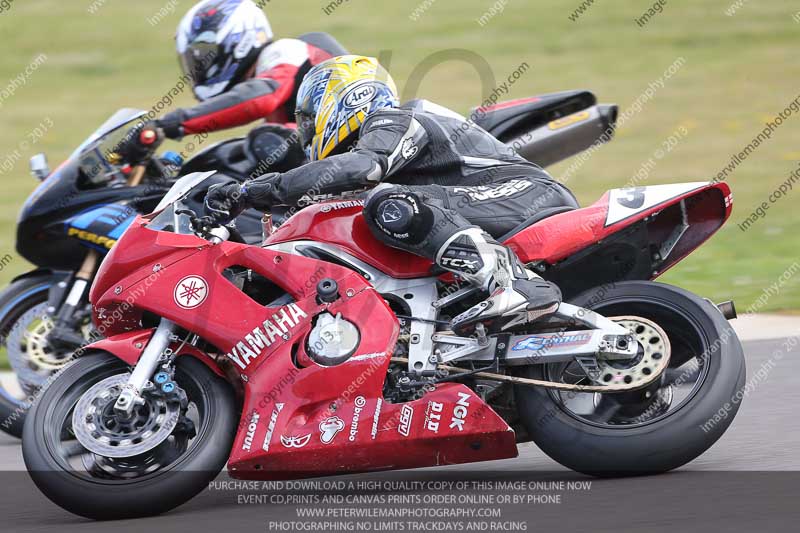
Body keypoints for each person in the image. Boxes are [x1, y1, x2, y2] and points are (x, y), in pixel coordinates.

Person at [204, 55, 578, 332]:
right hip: (489, 205)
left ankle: (516, 284)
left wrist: (252, 191)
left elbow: (364, 167)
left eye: (307, 119)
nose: (305, 132)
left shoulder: (393, 119)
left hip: (522, 194)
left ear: (341, 101)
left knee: (387, 203)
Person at [126, 0, 347, 165]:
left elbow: (259, 98)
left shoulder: (286, 50)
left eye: (205, 56)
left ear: (238, 41)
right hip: (340, 154)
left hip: (355, 148)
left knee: (266, 142)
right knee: (226, 159)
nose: (200, 66)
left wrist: (168, 125)